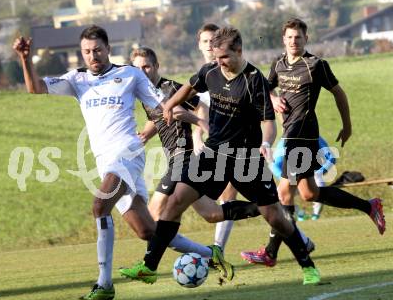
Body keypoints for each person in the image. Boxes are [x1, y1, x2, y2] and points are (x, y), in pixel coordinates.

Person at [12, 25, 233, 300]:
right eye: (87, 51)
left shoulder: (129, 75)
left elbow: (165, 106)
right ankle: (208, 254)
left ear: (108, 49)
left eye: (98, 50)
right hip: (106, 162)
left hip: (127, 153)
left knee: (99, 206)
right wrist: (25, 59)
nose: (93, 56)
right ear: (82, 53)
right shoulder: (76, 79)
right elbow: (35, 88)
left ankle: (104, 284)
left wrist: (201, 122)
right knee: (147, 231)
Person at [120, 27, 321, 286]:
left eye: (224, 57)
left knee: (274, 216)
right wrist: (169, 106)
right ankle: (149, 267)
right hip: (214, 153)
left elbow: (268, 122)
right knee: (175, 201)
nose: (219, 62)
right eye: (215, 56)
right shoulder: (211, 71)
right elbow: (190, 88)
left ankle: (308, 266)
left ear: (239, 51)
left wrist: (267, 143)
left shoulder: (254, 80)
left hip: (245, 158)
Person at [241, 18, 386, 268]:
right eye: (289, 37)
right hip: (291, 135)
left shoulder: (315, 65)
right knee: (309, 193)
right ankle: (369, 206)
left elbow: (339, 93)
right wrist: (274, 98)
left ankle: (271, 252)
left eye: (298, 37)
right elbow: (265, 88)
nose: (294, 41)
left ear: (306, 39)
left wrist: (347, 126)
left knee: (284, 192)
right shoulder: (278, 63)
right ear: (283, 39)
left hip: (304, 136)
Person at [131, 46, 260, 258]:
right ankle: (266, 207)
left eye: (146, 66)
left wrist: (200, 127)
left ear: (156, 66)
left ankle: (151, 263)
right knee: (211, 213)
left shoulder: (168, 88)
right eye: (138, 68)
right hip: (176, 158)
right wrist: (145, 134)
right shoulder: (145, 93)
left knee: (155, 213)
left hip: (183, 156)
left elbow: (198, 107)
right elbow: (160, 117)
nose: (143, 72)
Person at [194, 23, 239, 251]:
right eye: (205, 41)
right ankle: (299, 238)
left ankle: (217, 248)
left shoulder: (232, 72)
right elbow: (199, 111)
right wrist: (197, 137)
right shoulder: (201, 77)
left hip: (237, 144)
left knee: (229, 194)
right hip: (211, 144)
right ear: (200, 45)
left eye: (214, 41)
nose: (210, 46)